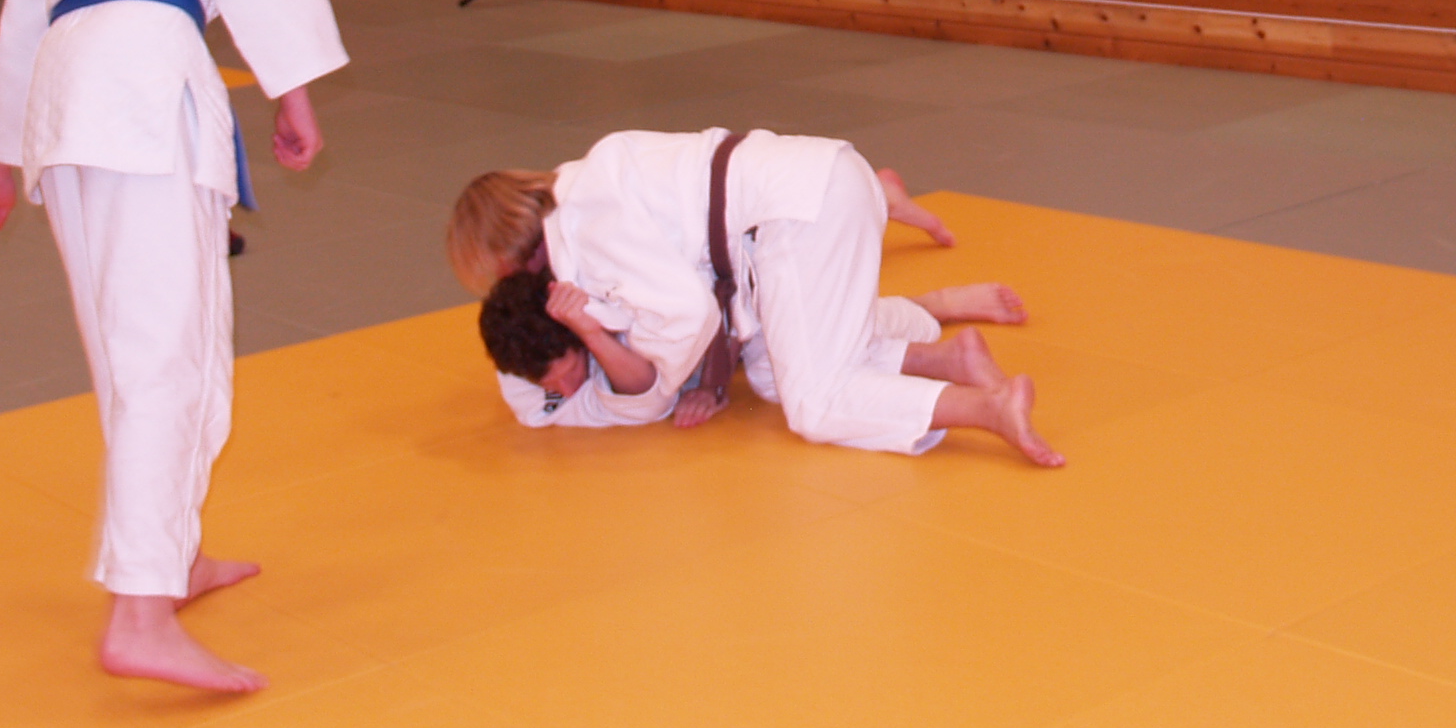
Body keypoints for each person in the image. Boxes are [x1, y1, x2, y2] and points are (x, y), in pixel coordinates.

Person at [0, 0, 347, 693]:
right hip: (141, 90)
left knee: (128, 354)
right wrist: (292, 91)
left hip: (63, 106)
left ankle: (170, 559)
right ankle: (138, 611)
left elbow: (23, 20)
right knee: (168, 349)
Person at [447, 136, 1064, 466]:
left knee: (816, 404)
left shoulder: (588, 226)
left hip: (796, 218)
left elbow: (690, 315)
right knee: (774, 371)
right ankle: (949, 359)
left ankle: (988, 408)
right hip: (804, 201)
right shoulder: (586, 188)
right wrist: (706, 378)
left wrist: (665, 385)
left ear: (522, 247)